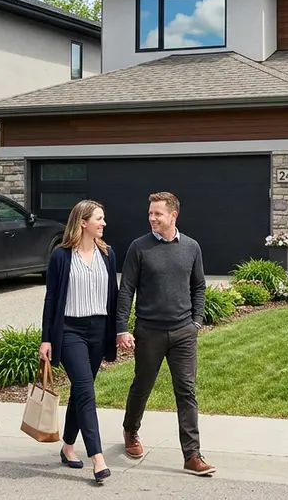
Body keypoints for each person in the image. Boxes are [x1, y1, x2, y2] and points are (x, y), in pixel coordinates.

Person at [115, 191, 215, 476]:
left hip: (184, 331)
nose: (152, 218)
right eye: (150, 213)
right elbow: (126, 291)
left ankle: (192, 455)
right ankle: (131, 431)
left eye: (158, 213)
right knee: (142, 386)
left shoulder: (192, 247)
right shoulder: (139, 247)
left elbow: (199, 286)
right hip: (149, 331)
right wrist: (122, 328)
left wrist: (196, 320)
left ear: (173, 215)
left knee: (186, 392)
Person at [39, 199, 119, 484]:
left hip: (98, 329)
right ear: (83, 222)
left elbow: (114, 295)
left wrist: (118, 330)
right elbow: (50, 300)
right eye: (99, 218)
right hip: (70, 330)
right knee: (86, 390)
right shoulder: (61, 256)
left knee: (81, 391)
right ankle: (97, 458)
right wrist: (46, 338)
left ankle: (68, 446)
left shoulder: (107, 254)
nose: (104, 223)